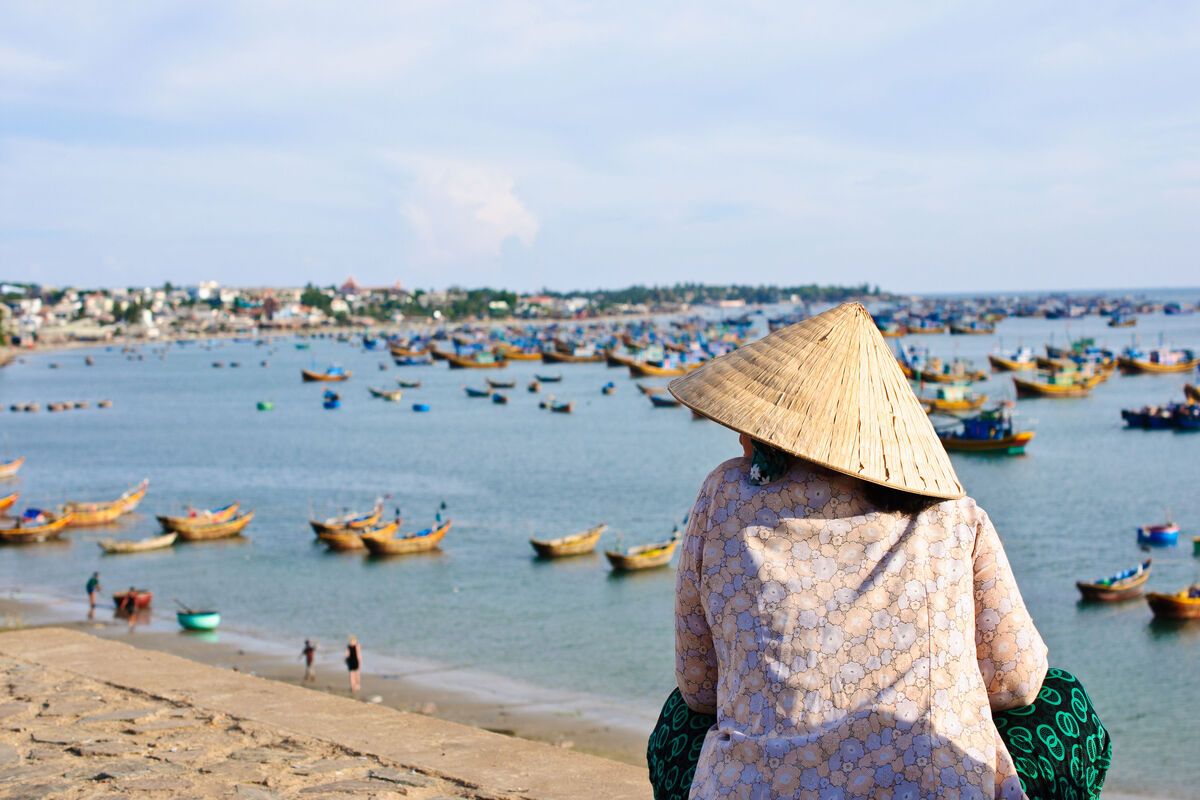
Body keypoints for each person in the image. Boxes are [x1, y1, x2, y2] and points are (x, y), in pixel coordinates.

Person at [647, 303, 1110, 800]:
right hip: (935, 788)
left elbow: (698, 687)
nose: (742, 435)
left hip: (754, 788)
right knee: (1062, 701)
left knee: (679, 722)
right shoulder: (952, 516)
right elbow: (1016, 683)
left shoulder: (722, 497)